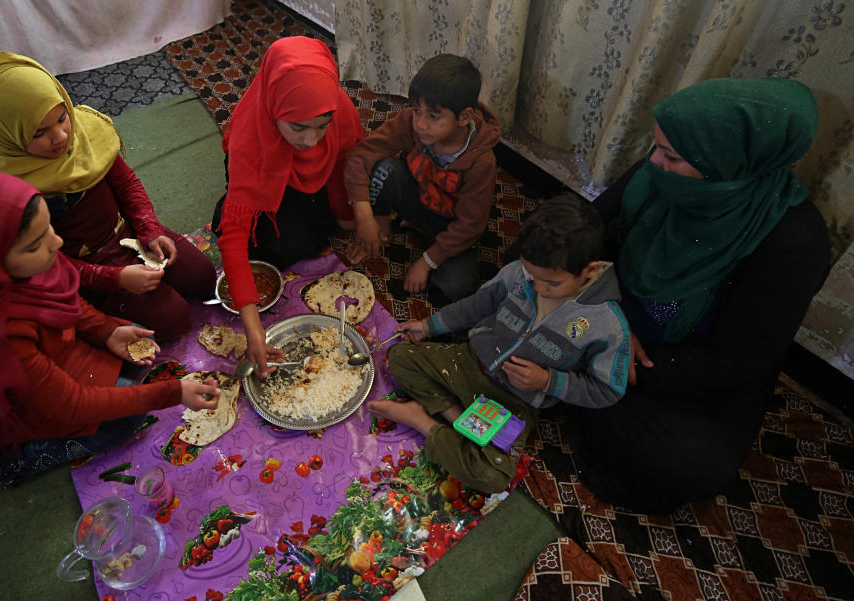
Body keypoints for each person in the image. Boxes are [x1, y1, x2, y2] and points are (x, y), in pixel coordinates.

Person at [561, 77, 831, 513]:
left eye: (671, 155)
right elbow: (587, 230)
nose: (653, 161)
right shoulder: (660, 174)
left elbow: (735, 363)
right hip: (607, 315)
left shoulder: (794, 243)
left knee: (696, 462)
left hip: (674, 367)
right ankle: (578, 385)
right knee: (527, 285)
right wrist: (605, 320)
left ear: (727, 163)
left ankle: (575, 386)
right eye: (657, 147)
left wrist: (627, 367)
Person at [0, 170, 222, 491]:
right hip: (19, 404)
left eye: (50, 230)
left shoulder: (17, 265)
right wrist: (174, 392)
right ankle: (7, 461)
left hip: (51, 355)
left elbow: (64, 295)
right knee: (126, 420)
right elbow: (71, 405)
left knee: (138, 339)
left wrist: (106, 330)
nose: (57, 243)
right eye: (35, 244)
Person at [369, 194, 631, 493]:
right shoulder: (519, 274)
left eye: (552, 284)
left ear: (591, 271)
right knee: (400, 355)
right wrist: (428, 326)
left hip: (514, 401)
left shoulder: (608, 326)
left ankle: (423, 421)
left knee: (493, 477)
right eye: (531, 276)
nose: (539, 289)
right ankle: (461, 420)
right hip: (467, 362)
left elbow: (607, 390)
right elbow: (478, 305)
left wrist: (548, 381)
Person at [0, 50, 219, 341]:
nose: (62, 137)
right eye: (39, 133)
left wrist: (150, 230)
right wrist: (115, 278)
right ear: (6, 135)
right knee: (173, 319)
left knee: (204, 278)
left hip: (128, 234)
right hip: (85, 268)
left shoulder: (87, 135)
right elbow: (47, 264)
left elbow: (127, 184)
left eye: (63, 118)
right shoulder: (6, 188)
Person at [211, 36, 365, 376]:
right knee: (264, 243)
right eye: (297, 127)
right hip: (264, 173)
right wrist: (253, 329)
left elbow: (346, 163)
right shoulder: (250, 139)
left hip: (312, 182)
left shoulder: (336, 106)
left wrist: (351, 216)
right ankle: (239, 205)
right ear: (276, 108)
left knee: (315, 235)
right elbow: (233, 238)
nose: (311, 141)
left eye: (321, 127)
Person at [344, 54, 501, 301]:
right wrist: (366, 216)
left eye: (433, 116)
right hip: (419, 204)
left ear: (464, 117)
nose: (420, 124)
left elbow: (469, 227)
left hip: (451, 227)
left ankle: (426, 244)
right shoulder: (410, 122)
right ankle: (385, 226)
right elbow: (361, 156)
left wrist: (426, 263)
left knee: (456, 288)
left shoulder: (481, 162)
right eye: (417, 110)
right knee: (385, 167)